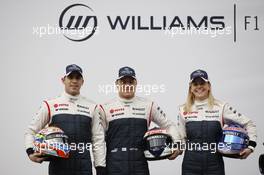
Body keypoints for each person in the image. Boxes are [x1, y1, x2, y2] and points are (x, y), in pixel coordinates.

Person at [93, 66, 182, 175]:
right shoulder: (104, 107)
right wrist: (100, 166)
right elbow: (98, 140)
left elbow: (170, 125)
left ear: (136, 84)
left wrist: (177, 145)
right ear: (117, 84)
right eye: (123, 82)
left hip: (140, 165)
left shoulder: (149, 105)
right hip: (114, 165)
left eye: (131, 82)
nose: (127, 85)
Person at [24, 64, 103, 175]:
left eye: (77, 78)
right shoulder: (50, 105)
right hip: (58, 167)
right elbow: (31, 131)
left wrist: (100, 167)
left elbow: (98, 139)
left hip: (84, 167)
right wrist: (30, 151)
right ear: (63, 80)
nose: (74, 81)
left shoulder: (93, 107)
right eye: (71, 77)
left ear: (82, 81)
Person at [177, 69, 257, 175]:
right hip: (190, 165)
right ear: (191, 88)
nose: (199, 86)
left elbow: (249, 123)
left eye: (202, 83)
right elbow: (181, 138)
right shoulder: (183, 109)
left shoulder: (221, 107)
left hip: (214, 166)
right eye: (195, 84)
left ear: (209, 86)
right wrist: (175, 150)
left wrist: (250, 147)